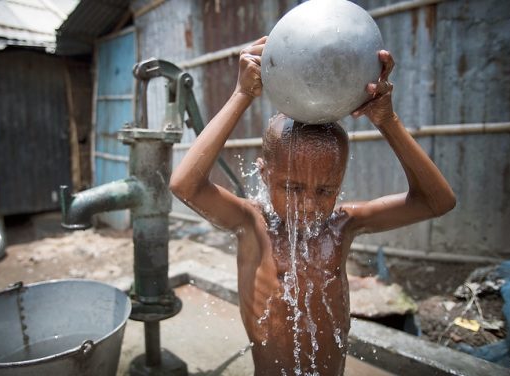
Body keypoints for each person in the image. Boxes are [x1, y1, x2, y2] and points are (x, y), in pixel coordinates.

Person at [169, 36, 456, 375]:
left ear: (341, 182)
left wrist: (387, 121)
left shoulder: (342, 225)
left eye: (325, 190)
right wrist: (242, 95)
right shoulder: (249, 222)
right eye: (292, 187)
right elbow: (184, 184)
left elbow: (437, 201)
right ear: (264, 173)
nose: (307, 204)